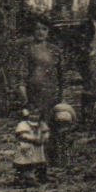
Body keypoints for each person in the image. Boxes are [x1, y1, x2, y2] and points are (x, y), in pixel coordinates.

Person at [16, 20, 64, 165]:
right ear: (33, 31)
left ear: (48, 31)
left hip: (52, 93)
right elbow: (22, 74)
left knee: (53, 125)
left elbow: (61, 74)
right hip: (34, 94)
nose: (40, 32)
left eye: (44, 29)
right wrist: (23, 95)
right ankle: (36, 160)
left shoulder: (55, 50)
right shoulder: (27, 50)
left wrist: (62, 94)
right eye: (37, 29)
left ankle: (54, 158)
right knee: (34, 127)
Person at [13, 111, 49, 185]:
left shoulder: (42, 124)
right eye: (32, 114)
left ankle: (41, 177)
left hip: (38, 146)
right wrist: (32, 139)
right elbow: (22, 135)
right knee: (25, 162)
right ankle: (24, 178)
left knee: (40, 161)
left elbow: (46, 133)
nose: (35, 117)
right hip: (27, 146)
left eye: (37, 115)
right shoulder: (23, 124)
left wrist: (43, 139)